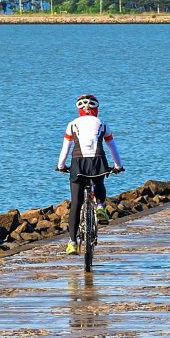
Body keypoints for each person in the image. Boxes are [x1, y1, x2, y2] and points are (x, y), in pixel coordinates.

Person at [57, 94, 125, 253]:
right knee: (99, 183)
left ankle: (73, 243)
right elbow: (112, 148)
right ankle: (100, 205)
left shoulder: (72, 125)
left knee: (76, 203)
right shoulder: (102, 123)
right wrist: (118, 166)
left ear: (79, 109)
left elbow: (65, 149)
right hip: (97, 161)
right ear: (96, 109)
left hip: (78, 163)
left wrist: (61, 166)